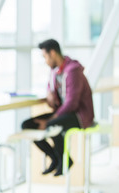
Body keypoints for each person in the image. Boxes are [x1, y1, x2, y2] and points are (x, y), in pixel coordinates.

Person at [21, 39, 94, 177]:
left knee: (52, 124)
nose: (45, 61)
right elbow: (51, 85)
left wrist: (50, 120)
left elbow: (72, 103)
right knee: (27, 125)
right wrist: (49, 91)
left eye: (45, 57)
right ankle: (55, 158)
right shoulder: (55, 71)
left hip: (79, 115)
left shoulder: (73, 71)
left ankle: (65, 160)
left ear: (53, 53)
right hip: (63, 112)